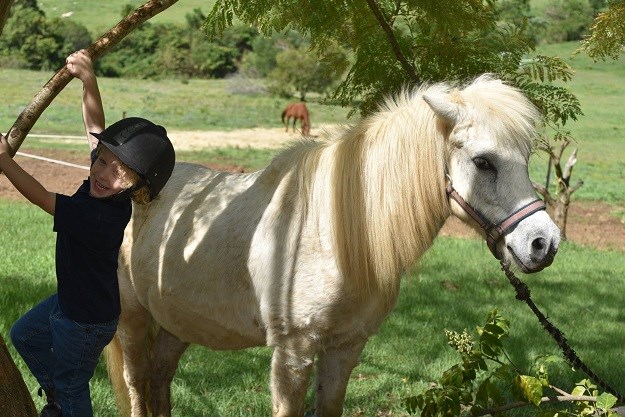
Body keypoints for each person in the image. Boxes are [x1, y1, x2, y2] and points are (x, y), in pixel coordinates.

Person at [1, 50, 175, 417]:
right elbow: (96, 129)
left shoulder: (97, 216)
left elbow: (42, 197)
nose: (102, 171)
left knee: (74, 387)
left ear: (136, 187)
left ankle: (64, 401)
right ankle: (58, 392)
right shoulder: (104, 187)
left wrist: (4, 161)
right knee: (24, 335)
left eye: (118, 172)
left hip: (85, 323)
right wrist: (88, 80)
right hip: (71, 302)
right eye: (102, 160)